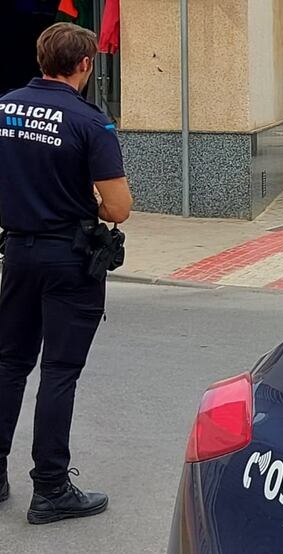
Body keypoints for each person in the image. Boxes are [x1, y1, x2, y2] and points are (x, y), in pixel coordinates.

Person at [0, 22, 132, 524]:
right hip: (68, 256)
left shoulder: (5, 106)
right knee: (58, 371)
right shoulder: (88, 122)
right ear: (85, 65)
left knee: (9, 363)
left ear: (41, 59)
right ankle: (50, 488)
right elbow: (118, 208)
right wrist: (89, 201)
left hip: (17, 252)